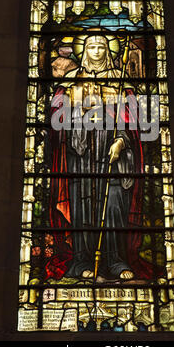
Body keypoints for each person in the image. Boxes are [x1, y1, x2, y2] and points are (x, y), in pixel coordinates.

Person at [46, 35, 151, 281]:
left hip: (113, 150)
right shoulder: (70, 81)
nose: (95, 51)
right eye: (90, 46)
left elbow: (134, 118)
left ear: (108, 51)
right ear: (84, 51)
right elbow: (56, 117)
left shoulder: (120, 80)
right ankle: (82, 261)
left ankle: (115, 260)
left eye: (101, 47)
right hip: (79, 151)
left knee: (113, 203)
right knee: (82, 204)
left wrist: (121, 140)